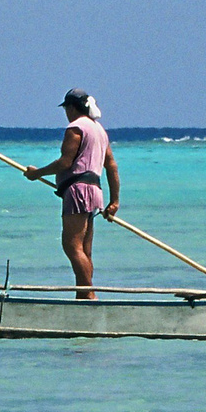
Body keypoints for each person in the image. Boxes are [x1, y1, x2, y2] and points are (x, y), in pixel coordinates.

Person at [23, 89, 119, 300]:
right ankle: (83, 296)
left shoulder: (75, 128)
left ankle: (89, 295)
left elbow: (65, 162)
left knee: (71, 245)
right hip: (94, 191)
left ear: (72, 107)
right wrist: (114, 201)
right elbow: (111, 165)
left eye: (66, 108)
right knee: (85, 249)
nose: (66, 112)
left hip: (78, 190)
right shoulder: (99, 130)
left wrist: (36, 173)